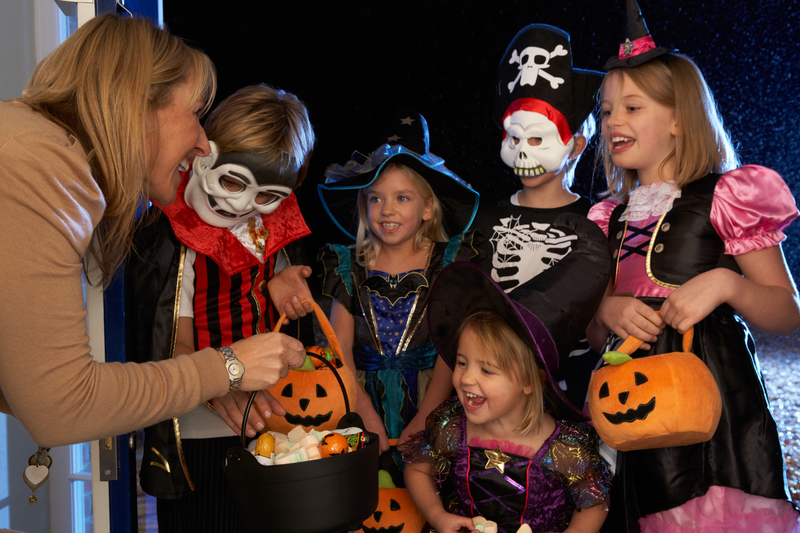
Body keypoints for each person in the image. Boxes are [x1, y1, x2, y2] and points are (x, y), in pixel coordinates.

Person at [0, 14, 306, 453]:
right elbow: (64, 408)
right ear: (135, 103)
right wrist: (229, 367)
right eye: (197, 114)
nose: (203, 143)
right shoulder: (43, 169)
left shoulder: (32, 148)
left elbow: (34, 390)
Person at [586, 1, 800, 531]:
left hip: (718, 407)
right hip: (635, 405)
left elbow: (787, 311)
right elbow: (594, 337)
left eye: (633, 107)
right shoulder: (609, 218)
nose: (614, 121)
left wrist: (728, 283)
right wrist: (607, 312)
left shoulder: (728, 196)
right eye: (607, 109)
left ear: (680, 118)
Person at [126, 84, 316, 531]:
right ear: (204, 153)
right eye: (232, 181)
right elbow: (173, 337)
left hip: (270, 415)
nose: (241, 204)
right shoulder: (174, 234)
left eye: (265, 196)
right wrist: (221, 381)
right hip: (202, 429)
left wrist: (279, 286)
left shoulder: (268, 224)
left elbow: (274, 307)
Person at [317, 111, 482, 484]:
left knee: (428, 495)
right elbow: (337, 350)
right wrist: (362, 411)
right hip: (358, 397)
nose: (387, 210)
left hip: (432, 398)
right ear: (363, 205)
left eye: (402, 198)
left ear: (427, 208)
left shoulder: (448, 264)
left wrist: (427, 416)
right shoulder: (347, 266)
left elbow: (450, 347)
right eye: (376, 199)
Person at [403, 262, 611, 533]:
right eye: (462, 363)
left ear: (528, 381)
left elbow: (595, 505)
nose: (465, 378)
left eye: (487, 370)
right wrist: (437, 515)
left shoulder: (565, 449)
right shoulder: (452, 427)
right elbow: (417, 470)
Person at [472, 24, 613, 411]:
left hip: (575, 395)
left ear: (575, 146)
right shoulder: (484, 219)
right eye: (513, 139)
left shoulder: (598, 221)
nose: (522, 153)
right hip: (494, 395)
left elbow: (602, 327)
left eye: (537, 140)